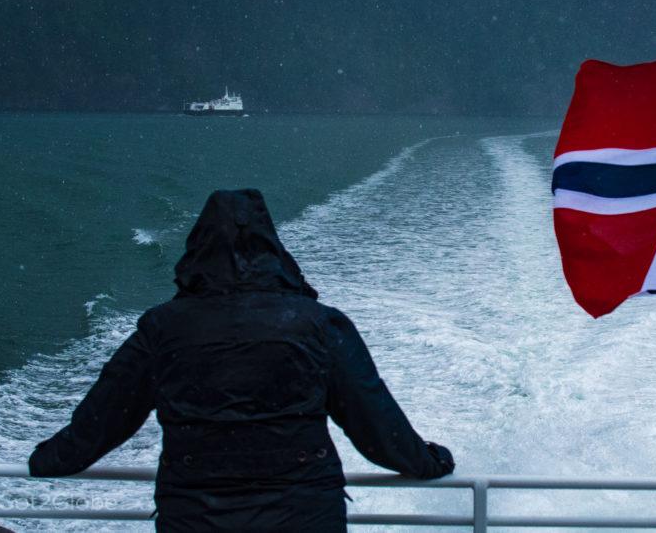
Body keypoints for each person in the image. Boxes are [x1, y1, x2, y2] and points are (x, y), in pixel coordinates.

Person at [29, 189, 454, 531]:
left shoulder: (163, 329)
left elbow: (106, 416)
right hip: (303, 515)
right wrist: (427, 461)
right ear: (274, 249)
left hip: (196, 515)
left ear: (197, 249)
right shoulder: (318, 325)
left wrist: (49, 461)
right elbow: (373, 418)